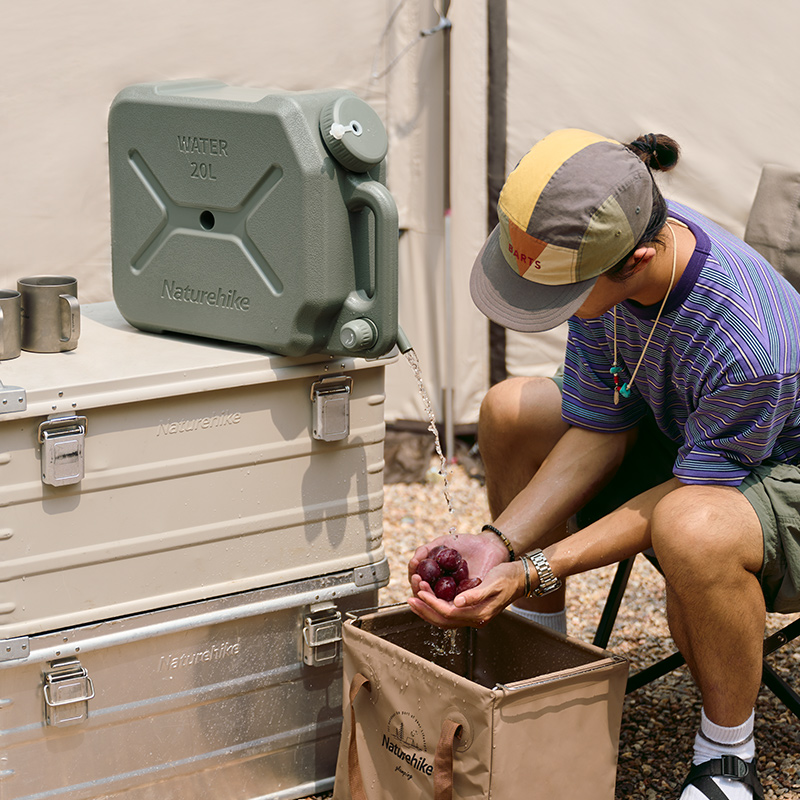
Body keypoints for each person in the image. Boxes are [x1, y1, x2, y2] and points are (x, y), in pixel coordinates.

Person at [407, 128, 800, 800]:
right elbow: (600, 427)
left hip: (778, 477)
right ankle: (536, 661)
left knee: (689, 528)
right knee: (510, 410)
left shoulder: (748, 340)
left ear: (637, 259)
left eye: (556, 296)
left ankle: (728, 756)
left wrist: (531, 569)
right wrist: (497, 542)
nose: (543, 309)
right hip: (684, 441)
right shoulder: (604, 262)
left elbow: (692, 495)